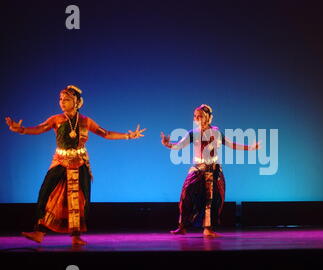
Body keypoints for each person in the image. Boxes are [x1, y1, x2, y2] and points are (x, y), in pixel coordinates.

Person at [5, 85, 146, 246]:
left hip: (80, 163)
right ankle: (39, 232)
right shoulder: (56, 119)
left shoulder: (86, 121)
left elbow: (106, 134)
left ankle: (76, 236)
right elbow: (39, 128)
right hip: (59, 162)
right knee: (46, 194)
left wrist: (128, 136)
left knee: (78, 200)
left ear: (77, 103)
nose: (62, 102)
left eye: (66, 100)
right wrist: (21, 129)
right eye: (60, 99)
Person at [161, 104, 260, 237]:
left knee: (211, 200)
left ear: (208, 117)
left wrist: (251, 148)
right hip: (197, 170)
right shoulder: (193, 133)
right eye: (195, 116)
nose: (197, 119)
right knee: (186, 197)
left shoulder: (216, 133)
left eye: (200, 116)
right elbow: (178, 146)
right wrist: (168, 144)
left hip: (213, 171)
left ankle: (208, 229)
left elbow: (232, 144)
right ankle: (182, 226)